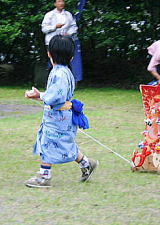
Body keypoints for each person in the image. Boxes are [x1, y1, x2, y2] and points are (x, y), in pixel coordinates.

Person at [24, 35, 98, 188]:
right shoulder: (65, 72)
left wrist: (39, 95)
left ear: (49, 53)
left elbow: (56, 97)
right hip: (62, 116)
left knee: (48, 143)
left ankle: (44, 177)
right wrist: (40, 97)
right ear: (71, 57)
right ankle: (86, 164)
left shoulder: (59, 73)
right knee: (65, 143)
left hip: (58, 118)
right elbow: (55, 95)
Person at [41, 0, 83, 81]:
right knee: (53, 62)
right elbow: (44, 29)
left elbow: (74, 27)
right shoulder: (49, 15)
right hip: (52, 43)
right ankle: (52, 80)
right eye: (59, 1)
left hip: (65, 43)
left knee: (66, 62)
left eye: (62, 1)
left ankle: (67, 80)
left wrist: (69, 34)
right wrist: (55, 27)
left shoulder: (68, 15)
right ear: (55, 3)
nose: (61, 3)